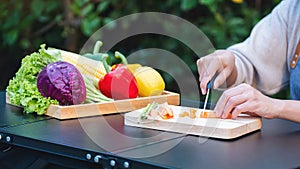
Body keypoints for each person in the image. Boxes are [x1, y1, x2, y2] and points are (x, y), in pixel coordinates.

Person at [197, 0, 300, 123]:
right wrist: (230, 67)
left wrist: (277, 107)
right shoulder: (293, 8)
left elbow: (274, 106)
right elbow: (253, 63)